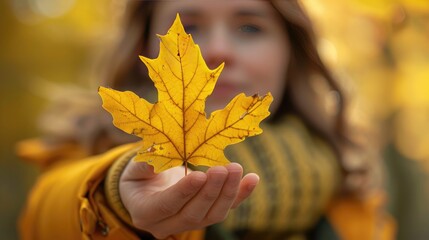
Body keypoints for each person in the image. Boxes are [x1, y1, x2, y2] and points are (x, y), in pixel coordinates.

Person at [17, 0, 395, 239]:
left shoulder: (350, 189)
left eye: (250, 26)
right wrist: (116, 197)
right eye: (190, 26)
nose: (217, 50)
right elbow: (44, 218)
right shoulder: (90, 149)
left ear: (291, 52)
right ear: (142, 47)